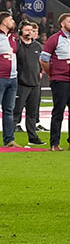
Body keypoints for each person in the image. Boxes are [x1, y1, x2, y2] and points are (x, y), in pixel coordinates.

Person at [40, 13, 70, 151]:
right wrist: (53, 74)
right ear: (62, 24)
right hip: (60, 81)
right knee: (58, 112)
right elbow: (43, 60)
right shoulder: (54, 39)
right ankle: (54, 143)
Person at [16, 20, 45, 145]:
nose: (29, 32)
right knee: (15, 112)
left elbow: (42, 62)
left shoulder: (37, 46)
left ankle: (33, 137)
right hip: (21, 83)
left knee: (32, 113)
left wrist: (40, 72)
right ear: (20, 31)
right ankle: (9, 138)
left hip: (35, 84)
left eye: (31, 30)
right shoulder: (16, 45)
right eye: (27, 30)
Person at [0, 12, 17, 147]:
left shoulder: (12, 37)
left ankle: (9, 140)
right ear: (4, 21)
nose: (13, 21)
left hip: (12, 78)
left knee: (9, 110)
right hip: (0, 77)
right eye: (10, 19)